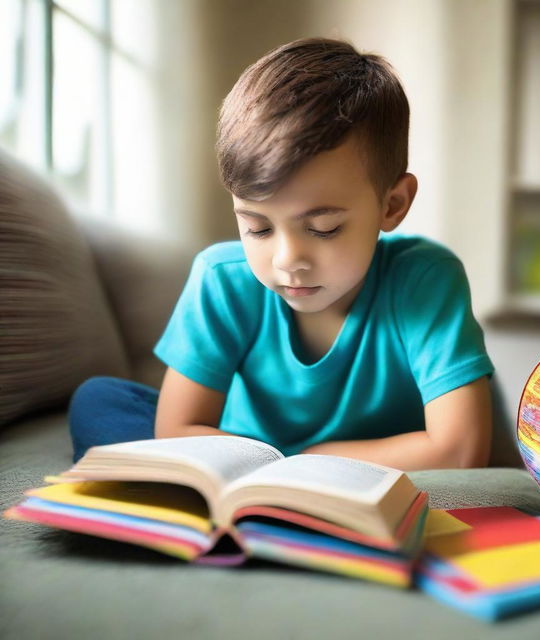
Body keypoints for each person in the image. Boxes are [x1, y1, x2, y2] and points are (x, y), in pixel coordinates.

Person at [69, 37, 494, 470]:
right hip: (236, 454)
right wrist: (269, 467)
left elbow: (460, 448)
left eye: (323, 228)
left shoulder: (425, 279)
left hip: (358, 468)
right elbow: (178, 430)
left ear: (392, 205)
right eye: (258, 227)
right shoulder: (222, 279)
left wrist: (308, 462)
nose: (287, 259)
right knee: (101, 400)